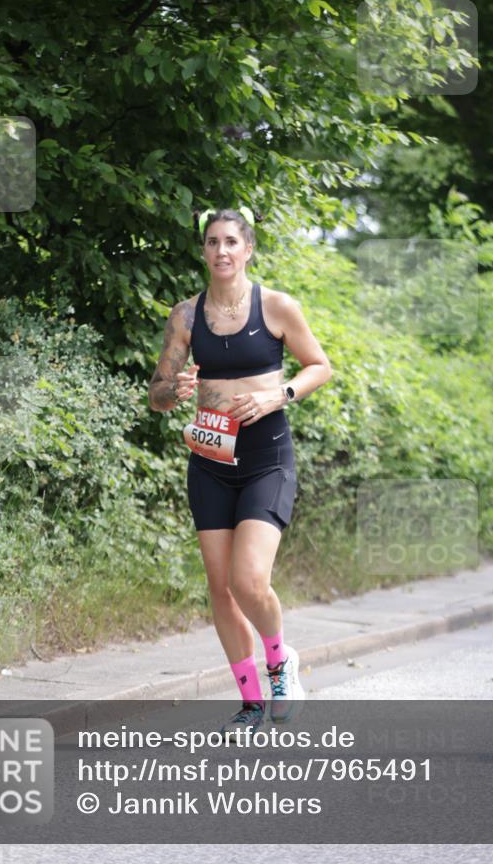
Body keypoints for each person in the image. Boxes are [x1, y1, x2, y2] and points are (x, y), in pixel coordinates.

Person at [148, 207, 332, 738]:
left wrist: (281, 393)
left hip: (266, 457)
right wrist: (173, 390)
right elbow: (157, 393)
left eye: (231, 241)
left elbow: (319, 365)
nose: (221, 251)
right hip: (209, 460)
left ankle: (280, 665)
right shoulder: (185, 315)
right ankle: (250, 706)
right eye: (212, 243)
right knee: (220, 587)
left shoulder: (276, 306)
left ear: (248, 248)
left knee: (249, 581)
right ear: (203, 251)